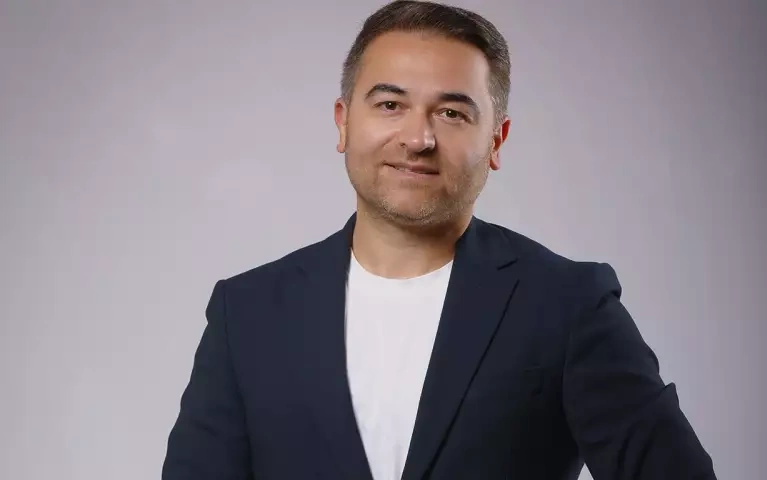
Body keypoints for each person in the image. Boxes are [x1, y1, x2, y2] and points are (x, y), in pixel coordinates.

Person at [162, 1, 717, 479]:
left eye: (452, 113)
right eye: (390, 105)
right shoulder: (248, 312)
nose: (418, 138)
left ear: (496, 140)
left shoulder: (568, 305)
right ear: (343, 122)